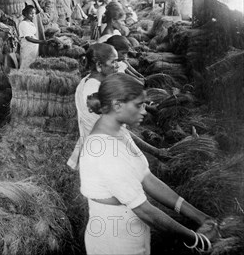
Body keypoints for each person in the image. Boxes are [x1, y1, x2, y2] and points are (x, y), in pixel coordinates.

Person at [79, 74, 219, 255]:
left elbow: (146, 177)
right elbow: (145, 211)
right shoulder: (103, 150)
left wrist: (201, 217)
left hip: (131, 233)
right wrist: (198, 240)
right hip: (114, 242)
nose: (145, 111)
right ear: (117, 105)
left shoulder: (119, 131)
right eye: (139, 105)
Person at [67, 43, 165, 170]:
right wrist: (156, 151)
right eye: (113, 61)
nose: (117, 65)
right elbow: (118, 131)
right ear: (99, 66)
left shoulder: (89, 81)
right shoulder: (93, 91)